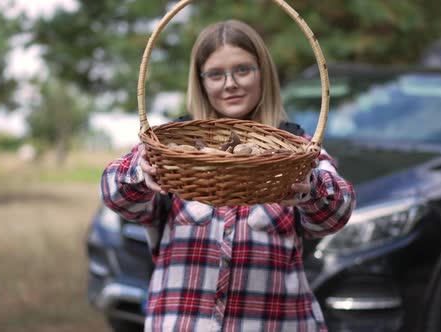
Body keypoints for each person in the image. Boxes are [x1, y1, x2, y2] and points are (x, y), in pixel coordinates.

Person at [101, 20, 356, 332]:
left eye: (243, 70)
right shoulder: (170, 148)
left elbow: (338, 212)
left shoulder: (296, 146)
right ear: (201, 81)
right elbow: (114, 194)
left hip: (274, 323)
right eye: (216, 74)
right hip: (183, 322)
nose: (230, 83)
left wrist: (311, 188)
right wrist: (140, 174)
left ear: (263, 72)